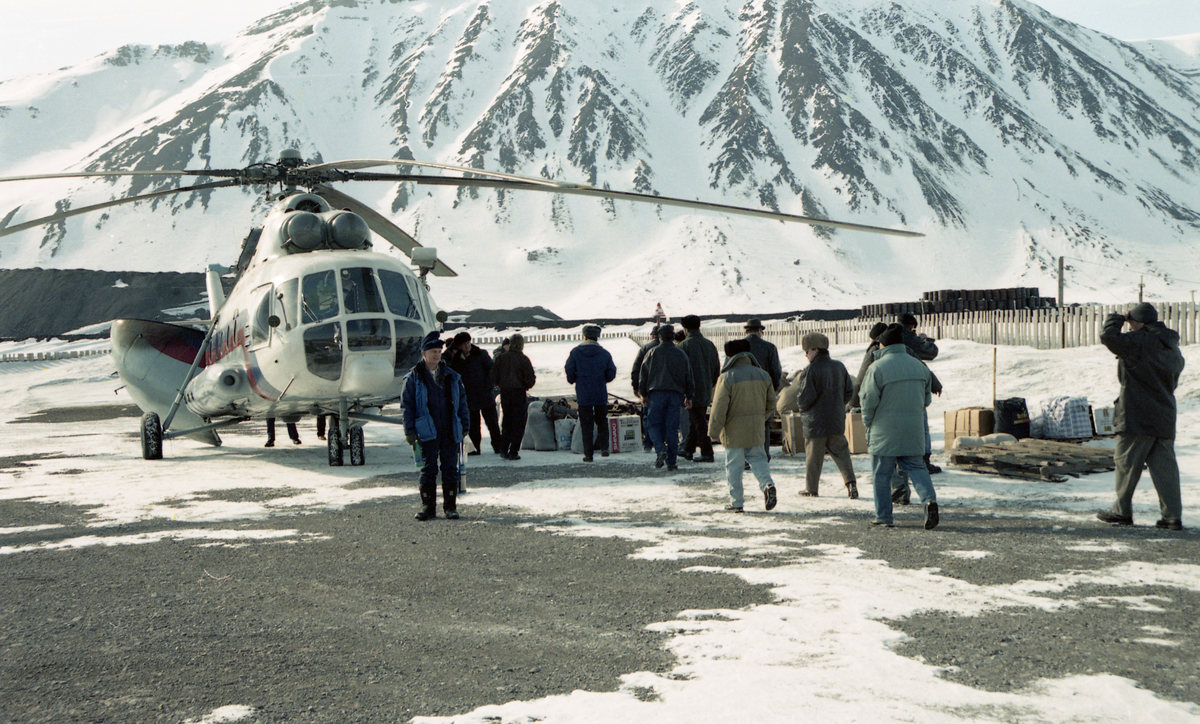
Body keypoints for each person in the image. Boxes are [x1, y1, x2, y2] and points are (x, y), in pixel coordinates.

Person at [1096, 303, 1186, 530]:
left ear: (1140, 322)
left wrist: (1118, 318)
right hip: (1164, 414)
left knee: (1126, 464)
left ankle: (1121, 512)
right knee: (1165, 470)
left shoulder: (1139, 341)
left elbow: (1108, 337)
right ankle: (1172, 517)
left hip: (1136, 415)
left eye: (1131, 322)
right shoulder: (1172, 347)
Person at [860, 324, 939, 529]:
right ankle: (929, 501)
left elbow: (868, 401)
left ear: (883, 344)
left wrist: (869, 424)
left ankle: (884, 516)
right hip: (913, 429)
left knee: (881, 473)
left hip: (884, 430)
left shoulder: (876, 368)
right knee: (916, 467)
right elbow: (926, 399)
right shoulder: (919, 366)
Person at [402, 331, 470, 521]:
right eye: (433, 351)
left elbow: (462, 403)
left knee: (450, 469)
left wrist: (465, 425)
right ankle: (428, 507)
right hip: (426, 432)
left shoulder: (452, 376)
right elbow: (407, 406)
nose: (437, 354)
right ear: (423, 353)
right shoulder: (413, 379)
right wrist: (409, 431)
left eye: (439, 351)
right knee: (428, 469)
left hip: (449, 430)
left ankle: (450, 507)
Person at [708, 339, 778, 512]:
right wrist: (761, 418)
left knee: (734, 466)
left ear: (730, 356)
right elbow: (771, 403)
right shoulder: (763, 375)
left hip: (733, 430)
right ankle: (768, 485)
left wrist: (714, 430)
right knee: (758, 459)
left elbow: (719, 407)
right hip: (756, 428)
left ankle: (737, 502)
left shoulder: (727, 377)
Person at [796, 332, 858, 499]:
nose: (806, 355)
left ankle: (811, 488)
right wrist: (837, 405)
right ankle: (851, 484)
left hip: (815, 423)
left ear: (815, 349)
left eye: (807, 351)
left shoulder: (810, 370)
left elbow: (804, 398)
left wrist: (805, 410)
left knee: (813, 458)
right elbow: (849, 391)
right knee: (842, 454)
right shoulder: (839, 366)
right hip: (836, 419)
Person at [638, 324, 695, 471]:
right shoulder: (681, 354)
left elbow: (643, 375)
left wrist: (643, 393)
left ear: (660, 337)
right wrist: (689, 396)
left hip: (656, 394)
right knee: (672, 428)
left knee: (652, 424)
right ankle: (671, 461)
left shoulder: (652, 353)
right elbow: (688, 376)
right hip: (675, 395)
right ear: (673, 337)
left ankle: (659, 448)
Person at [898, 313, 942, 476]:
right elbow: (930, 352)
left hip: (894, 386)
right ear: (911, 327)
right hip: (912, 384)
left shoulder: (887, 338)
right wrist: (926, 339)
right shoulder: (908, 337)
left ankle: (903, 463)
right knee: (921, 423)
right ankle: (923, 460)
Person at [564, 324, 617, 462]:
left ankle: (588, 454)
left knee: (586, 423)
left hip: (583, 392)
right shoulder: (605, 353)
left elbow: (569, 369)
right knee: (602, 420)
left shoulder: (576, 352)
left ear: (584, 336)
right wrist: (603, 380)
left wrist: (574, 379)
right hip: (599, 391)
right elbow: (611, 372)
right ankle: (604, 448)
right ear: (597, 337)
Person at [447, 331, 502, 456]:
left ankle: (498, 446)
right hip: (469, 396)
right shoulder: (456, 360)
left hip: (485, 394)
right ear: (459, 346)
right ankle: (475, 448)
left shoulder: (480, 354)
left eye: (468, 343)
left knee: (492, 422)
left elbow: (491, 370)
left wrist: (489, 385)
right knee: (473, 425)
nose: (467, 346)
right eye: (464, 344)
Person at [677, 315, 721, 463]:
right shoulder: (709, 345)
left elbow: (680, 371)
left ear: (686, 329)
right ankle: (688, 449)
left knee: (699, 422)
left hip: (690, 390)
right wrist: (710, 383)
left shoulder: (683, 346)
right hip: (706, 388)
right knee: (696, 419)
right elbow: (716, 369)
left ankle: (707, 452)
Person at [490, 332, 536, 460]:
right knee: (518, 422)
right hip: (519, 393)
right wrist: (526, 384)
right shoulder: (524, 359)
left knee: (507, 421)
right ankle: (513, 450)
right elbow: (530, 379)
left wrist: (500, 383)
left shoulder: (501, 358)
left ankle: (503, 449)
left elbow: (493, 375)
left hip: (505, 392)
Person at [744, 318, 783, 459]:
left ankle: (746, 457)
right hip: (764, 391)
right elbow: (776, 372)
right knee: (764, 423)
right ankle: (764, 455)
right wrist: (773, 389)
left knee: (745, 423)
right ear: (760, 331)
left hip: (742, 391)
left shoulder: (738, 347)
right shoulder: (770, 347)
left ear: (746, 331)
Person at [631, 324, 663, 452]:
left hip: (649, 389)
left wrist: (636, 387)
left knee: (648, 417)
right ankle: (662, 442)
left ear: (651, 335)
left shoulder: (645, 348)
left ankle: (648, 444)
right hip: (666, 389)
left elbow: (636, 369)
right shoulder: (672, 349)